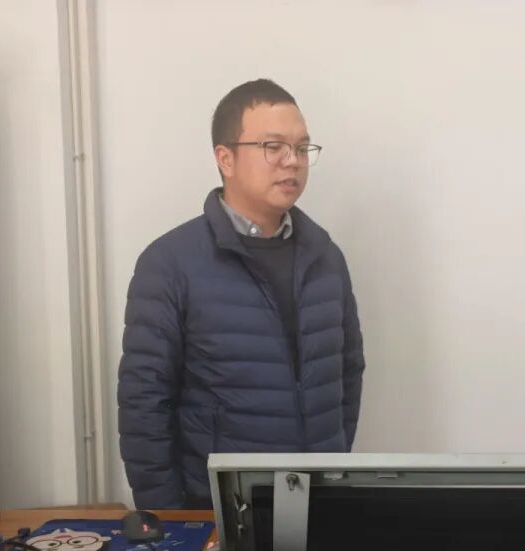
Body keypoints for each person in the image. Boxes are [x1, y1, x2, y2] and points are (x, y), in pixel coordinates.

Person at [118, 79, 365, 508]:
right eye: (273, 146)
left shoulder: (325, 257)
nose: (292, 161)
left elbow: (347, 374)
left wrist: (333, 465)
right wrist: (172, 520)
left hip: (319, 503)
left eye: (301, 148)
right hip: (218, 511)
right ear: (225, 158)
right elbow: (144, 405)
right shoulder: (170, 263)